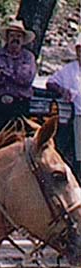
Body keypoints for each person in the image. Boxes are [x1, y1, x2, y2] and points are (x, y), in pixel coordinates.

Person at [0, 18, 37, 135]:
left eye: (19, 36)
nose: (15, 39)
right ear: (7, 38)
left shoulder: (29, 57)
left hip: (20, 105)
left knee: (18, 141)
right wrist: (15, 75)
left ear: (23, 40)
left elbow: (26, 79)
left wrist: (4, 72)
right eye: (12, 35)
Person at [46, 33, 81, 179]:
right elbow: (50, 82)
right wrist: (63, 91)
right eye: (79, 50)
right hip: (76, 116)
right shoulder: (69, 69)